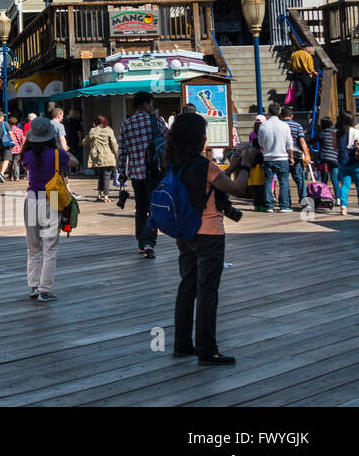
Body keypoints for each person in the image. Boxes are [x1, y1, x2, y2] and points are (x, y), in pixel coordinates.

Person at [168, 113, 251, 366]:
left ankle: (182, 345)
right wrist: (245, 166)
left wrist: (232, 167)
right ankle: (208, 350)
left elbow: (212, 181)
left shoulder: (173, 163)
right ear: (199, 138)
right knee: (208, 292)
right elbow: (238, 190)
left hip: (185, 232)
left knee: (187, 287)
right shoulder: (205, 166)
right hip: (210, 234)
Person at [21, 117, 71, 302]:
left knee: (33, 247)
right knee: (50, 248)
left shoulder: (27, 155)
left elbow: (27, 165)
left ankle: (33, 286)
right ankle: (45, 290)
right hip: (53, 199)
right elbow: (72, 161)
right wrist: (58, 145)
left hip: (32, 199)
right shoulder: (58, 154)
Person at [119, 92, 169, 259]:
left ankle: (141, 243)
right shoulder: (156, 121)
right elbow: (169, 139)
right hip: (154, 171)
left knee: (140, 209)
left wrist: (122, 174)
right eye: (151, 104)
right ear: (146, 104)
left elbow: (123, 152)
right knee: (154, 208)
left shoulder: (126, 124)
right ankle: (149, 242)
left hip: (135, 173)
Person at [258, 104, 294, 212]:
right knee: (283, 181)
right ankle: (284, 205)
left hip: (268, 157)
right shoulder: (284, 126)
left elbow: (260, 143)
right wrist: (291, 157)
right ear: (279, 113)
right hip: (282, 157)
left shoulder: (263, 126)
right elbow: (289, 144)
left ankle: (269, 205)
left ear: (268, 112)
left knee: (268, 181)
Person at [83, 115, 119, 202]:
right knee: (106, 176)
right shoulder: (108, 130)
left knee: (100, 176)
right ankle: (106, 196)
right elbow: (114, 144)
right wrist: (118, 154)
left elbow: (84, 142)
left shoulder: (92, 130)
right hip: (107, 156)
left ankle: (99, 194)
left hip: (96, 157)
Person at [281, 106, 311, 202]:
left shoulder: (280, 125)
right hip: (296, 154)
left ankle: (286, 201)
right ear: (292, 116)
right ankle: (303, 199)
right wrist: (306, 155)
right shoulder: (298, 126)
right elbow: (302, 142)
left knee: (284, 180)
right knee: (299, 178)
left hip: (283, 154)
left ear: (281, 115)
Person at [334, 112, 359, 216]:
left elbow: (335, 147)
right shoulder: (356, 132)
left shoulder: (337, 133)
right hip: (355, 162)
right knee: (358, 185)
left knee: (345, 185)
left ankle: (343, 206)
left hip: (342, 162)